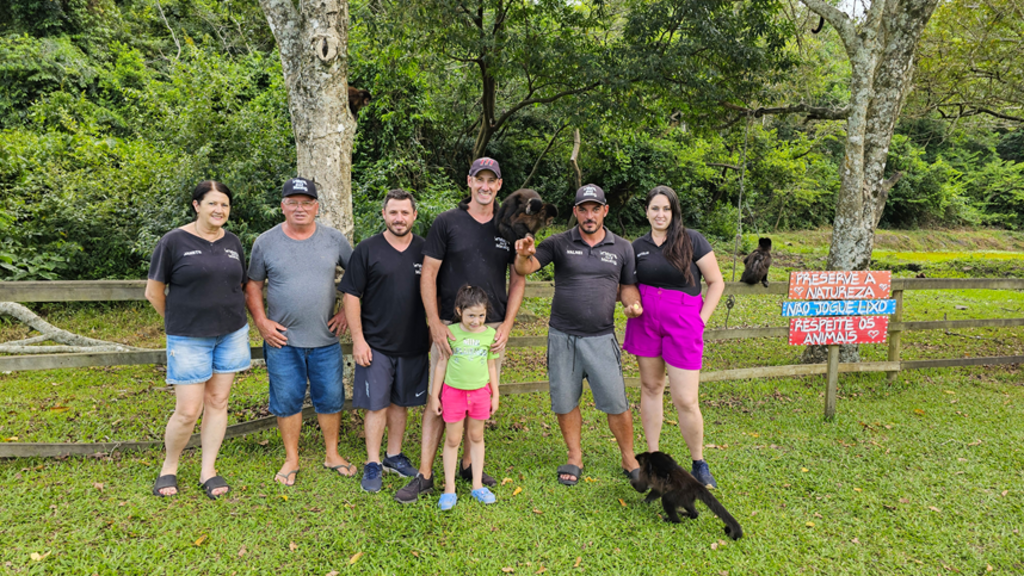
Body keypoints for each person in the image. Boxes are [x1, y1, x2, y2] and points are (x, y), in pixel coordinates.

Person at [395, 157, 526, 503]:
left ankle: (470, 467)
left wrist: (508, 324)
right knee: (441, 399)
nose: (485, 186)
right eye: (478, 179)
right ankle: (425, 474)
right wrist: (434, 323)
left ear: (499, 185)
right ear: (469, 182)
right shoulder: (447, 222)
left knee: (477, 396)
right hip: (450, 328)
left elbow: (519, 277)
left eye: (491, 181)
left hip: (490, 329)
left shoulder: (509, 227)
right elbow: (428, 274)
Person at [514, 184, 644, 487]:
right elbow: (526, 268)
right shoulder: (559, 243)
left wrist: (632, 304)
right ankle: (574, 456)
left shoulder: (622, 247)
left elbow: (627, 286)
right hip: (563, 338)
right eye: (583, 209)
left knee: (617, 402)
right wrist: (522, 255)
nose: (589, 215)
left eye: (595, 209)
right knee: (564, 400)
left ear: (605, 211)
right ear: (575, 212)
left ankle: (628, 457)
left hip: (601, 338)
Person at [245, 177, 356, 486]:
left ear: (317, 207)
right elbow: (252, 285)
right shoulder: (265, 242)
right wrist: (262, 322)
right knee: (287, 398)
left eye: (306, 203)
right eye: (292, 202)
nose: (299, 208)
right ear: (282, 207)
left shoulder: (334, 240)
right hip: (282, 341)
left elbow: (359, 275)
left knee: (331, 397)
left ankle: (332, 454)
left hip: (325, 338)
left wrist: (346, 310)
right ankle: (291, 458)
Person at [146, 180, 250, 500]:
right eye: (212, 204)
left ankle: (208, 469)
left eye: (224, 205)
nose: (219, 210)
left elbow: (240, 285)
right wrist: (178, 321)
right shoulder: (173, 241)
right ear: (196, 205)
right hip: (188, 337)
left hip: (231, 334)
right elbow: (153, 292)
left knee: (218, 402)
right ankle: (170, 467)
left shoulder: (233, 242)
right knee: (188, 410)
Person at [624, 186, 725, 487]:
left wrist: (700, 321)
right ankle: (654, 460)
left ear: (674, 211)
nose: (660, 214)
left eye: (666, 209)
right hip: (647, 321)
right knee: (651, 387)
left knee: (686, 399)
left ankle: (698, 462)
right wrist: (630, 303)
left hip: (683, 321)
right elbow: (627, 285)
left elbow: (716, 282)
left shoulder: (692, 240)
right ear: (646, 212)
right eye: (655, 208)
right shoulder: (636, 247)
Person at [340, 189, 429, 493]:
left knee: (401, 403)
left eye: (405, 212)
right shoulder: (367, 250)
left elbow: (438, 293)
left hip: (414, 343)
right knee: (376, 405)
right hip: (375, 344)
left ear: (414, 215)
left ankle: (393, 455)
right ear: (384, 214)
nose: (399, 218)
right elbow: (351, 295)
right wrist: (358, 340)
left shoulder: (426, 250)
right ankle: (373, 461)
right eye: (393, 212)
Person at [430, 285, 501, 510]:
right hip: (453, 394)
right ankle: (449, 488)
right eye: (471, 315)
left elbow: (491, 366)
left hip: (480, 394)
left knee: (476, 437)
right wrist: (435, 396)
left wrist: (495, 394)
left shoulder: (489, 335)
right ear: (459, 311)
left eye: (481, 316)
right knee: (453, 439)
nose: (476, 321)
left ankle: (477, 485)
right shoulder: (450, 333)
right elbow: (441, 364)